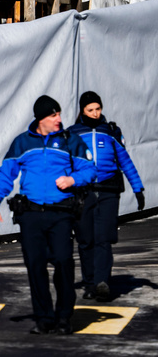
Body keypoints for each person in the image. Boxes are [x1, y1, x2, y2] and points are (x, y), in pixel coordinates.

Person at [0, 95, 96, 335]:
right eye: (53, 115)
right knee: (35, 265)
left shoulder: (70, 141)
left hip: (61, 213)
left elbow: (90, 170)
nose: (59, 119)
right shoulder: (22, 143)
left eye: (59, 114)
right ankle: (44, 318)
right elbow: (6, 175)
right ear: (41, 119)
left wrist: (72, 179)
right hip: (31, 215)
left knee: (63, 261)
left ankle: (64, 317)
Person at [69, 91, 146, 302]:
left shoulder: (110, 131)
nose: (95, 113)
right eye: (90, 110)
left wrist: (138, 188)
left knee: (103, 238)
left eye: (98, 109)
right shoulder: (72, 133)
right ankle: (89, 283)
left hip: (108, 190)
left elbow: (125, 161)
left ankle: (101, 282)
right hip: (83, 192)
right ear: (82, 111)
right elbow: (64, 164)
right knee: (86, 239)